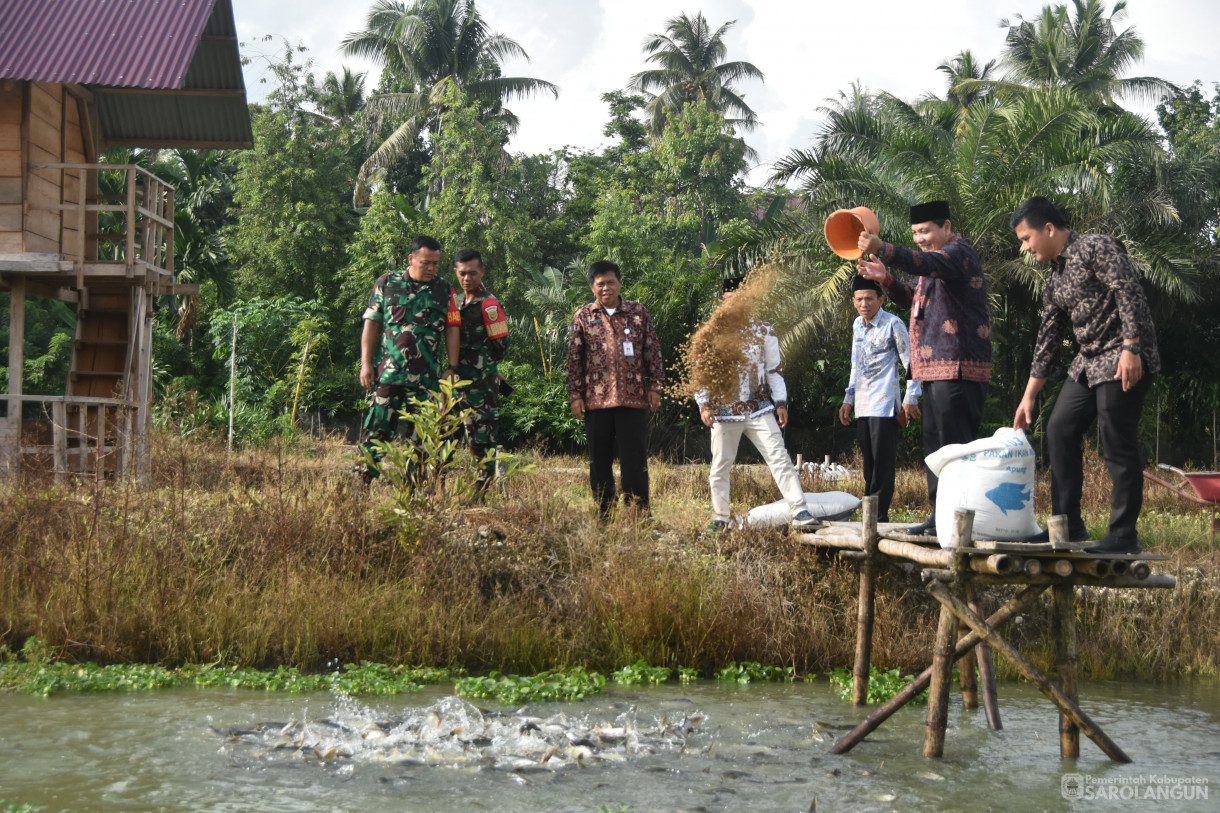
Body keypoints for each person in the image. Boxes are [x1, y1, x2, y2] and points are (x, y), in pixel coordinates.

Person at [1010, 196, 1160, 554]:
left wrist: (1131, 347)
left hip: (1124, 354)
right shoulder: (1054, 280)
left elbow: (1129, 291)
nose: (1026, 248)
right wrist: (1029, 395)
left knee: (1116, 439)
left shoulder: (1096, 247)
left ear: (1048, 228)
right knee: (1060, 426)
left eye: (1027, 239)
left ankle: (1123, 536)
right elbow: (1047, 338)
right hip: (1089, 361)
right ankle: (1068, 527)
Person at [857, 200, 992, 536]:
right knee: (935, 449)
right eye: (915, 232)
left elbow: (924, 261)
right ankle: (939, 518)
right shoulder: (935, 268)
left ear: (946, 227)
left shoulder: (957, 253)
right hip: (933, 371)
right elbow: (912, 298)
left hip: (958, 367)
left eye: (926, 230)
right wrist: (885, 279)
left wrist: (884, 249)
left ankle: (960, 524)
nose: (919, 238)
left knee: (954, 448)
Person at [691, 276, 823, 533]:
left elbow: (774, 369)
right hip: (723, 411)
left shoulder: (764, 330)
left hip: (759, 407)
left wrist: (781, 402)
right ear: (723, 301)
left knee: (779, 456)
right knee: (721, 464)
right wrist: (703, 405)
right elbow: (701, 373)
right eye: (730, 300)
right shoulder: (711, 332)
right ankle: (720, 516)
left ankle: (799, 509)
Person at [565, 260, 664, 520]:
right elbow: (574, 359)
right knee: (599, 461)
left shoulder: (638, 312)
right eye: (600, 284)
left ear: (620, 283)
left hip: (633, 400)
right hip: (596, 401)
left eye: (611, 282)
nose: (606, 287)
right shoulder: (584, 316)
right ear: (592, 287)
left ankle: (639, 513)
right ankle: (604, 512)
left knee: (635, 460)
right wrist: (575, 395)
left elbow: (652, 351)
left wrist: (655, 386)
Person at [357, 235, 461, 480]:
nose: (432, 268)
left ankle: (414, 491)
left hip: (426, 381)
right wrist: (365, 363)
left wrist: (453, 367)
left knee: (423, 441)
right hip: (388, 375)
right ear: (411, 259)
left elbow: (453, 328)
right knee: (374, 433)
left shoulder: (444, 289)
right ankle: (361, 486)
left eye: (435, 263)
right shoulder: (386, 283)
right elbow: (371, 324)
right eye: (426, 263)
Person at [838, 275, 921, 523]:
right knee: (868, 462)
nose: (864, 303)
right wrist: (848, 398)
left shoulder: (893, 324)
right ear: (854, 301)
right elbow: (855, 364)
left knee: (883, 461)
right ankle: (869, 510)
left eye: (870, 299)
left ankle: (878, 514)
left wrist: (912, 396)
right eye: (860, 299)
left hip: (886, 404)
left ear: (881, 299)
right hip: (863, 403)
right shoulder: (856, 326)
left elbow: (911, 362)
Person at [452, 248, 509, 494]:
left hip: (481, 382)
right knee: (449, 433)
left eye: (473, 273)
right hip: (454, 381)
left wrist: (486, 365)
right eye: (462, 273)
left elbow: (501, 345)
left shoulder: (489, 304)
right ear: (456, 272)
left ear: (482, 272)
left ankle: (481, 491)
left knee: (480, 437)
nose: (467, 279)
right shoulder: (455, 301)